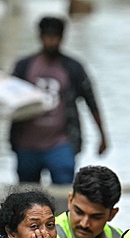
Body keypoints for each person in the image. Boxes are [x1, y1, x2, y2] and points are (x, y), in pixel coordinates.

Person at [9, 16, 109, 186]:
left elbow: (91, 102)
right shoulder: (24, 67)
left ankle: (61, 214)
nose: (51, 41)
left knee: (63, 194)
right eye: (47, 36)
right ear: (40, 37)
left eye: (55, 37)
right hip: (26, 143)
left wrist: (103, 136)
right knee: (26, 197)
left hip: (61, 143)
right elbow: (7, 99)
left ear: (62, 38)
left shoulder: (73, 68)